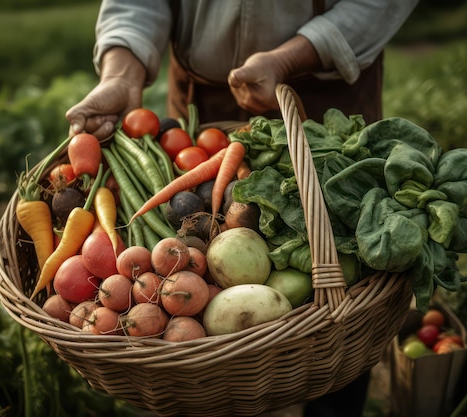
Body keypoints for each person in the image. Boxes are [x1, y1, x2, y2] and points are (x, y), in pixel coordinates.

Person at [66, 1, 419, 416]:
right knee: (205, 380)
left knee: (341, 332)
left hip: (320, 99)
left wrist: (289, 57)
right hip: (201, 122)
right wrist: (121, 76)